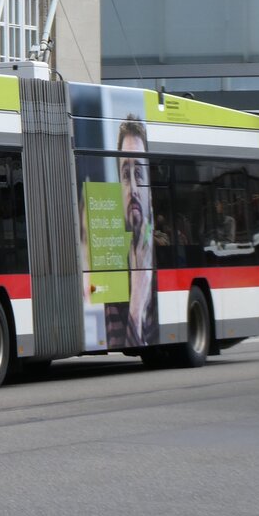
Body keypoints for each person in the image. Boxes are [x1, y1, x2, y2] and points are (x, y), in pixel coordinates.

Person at [117, 116, 156, 347]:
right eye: (125, 174)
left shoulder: (164, 257)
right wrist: (136, 299)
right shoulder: (111, 267)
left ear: (150, 188)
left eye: (139, 174)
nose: (132, 188)